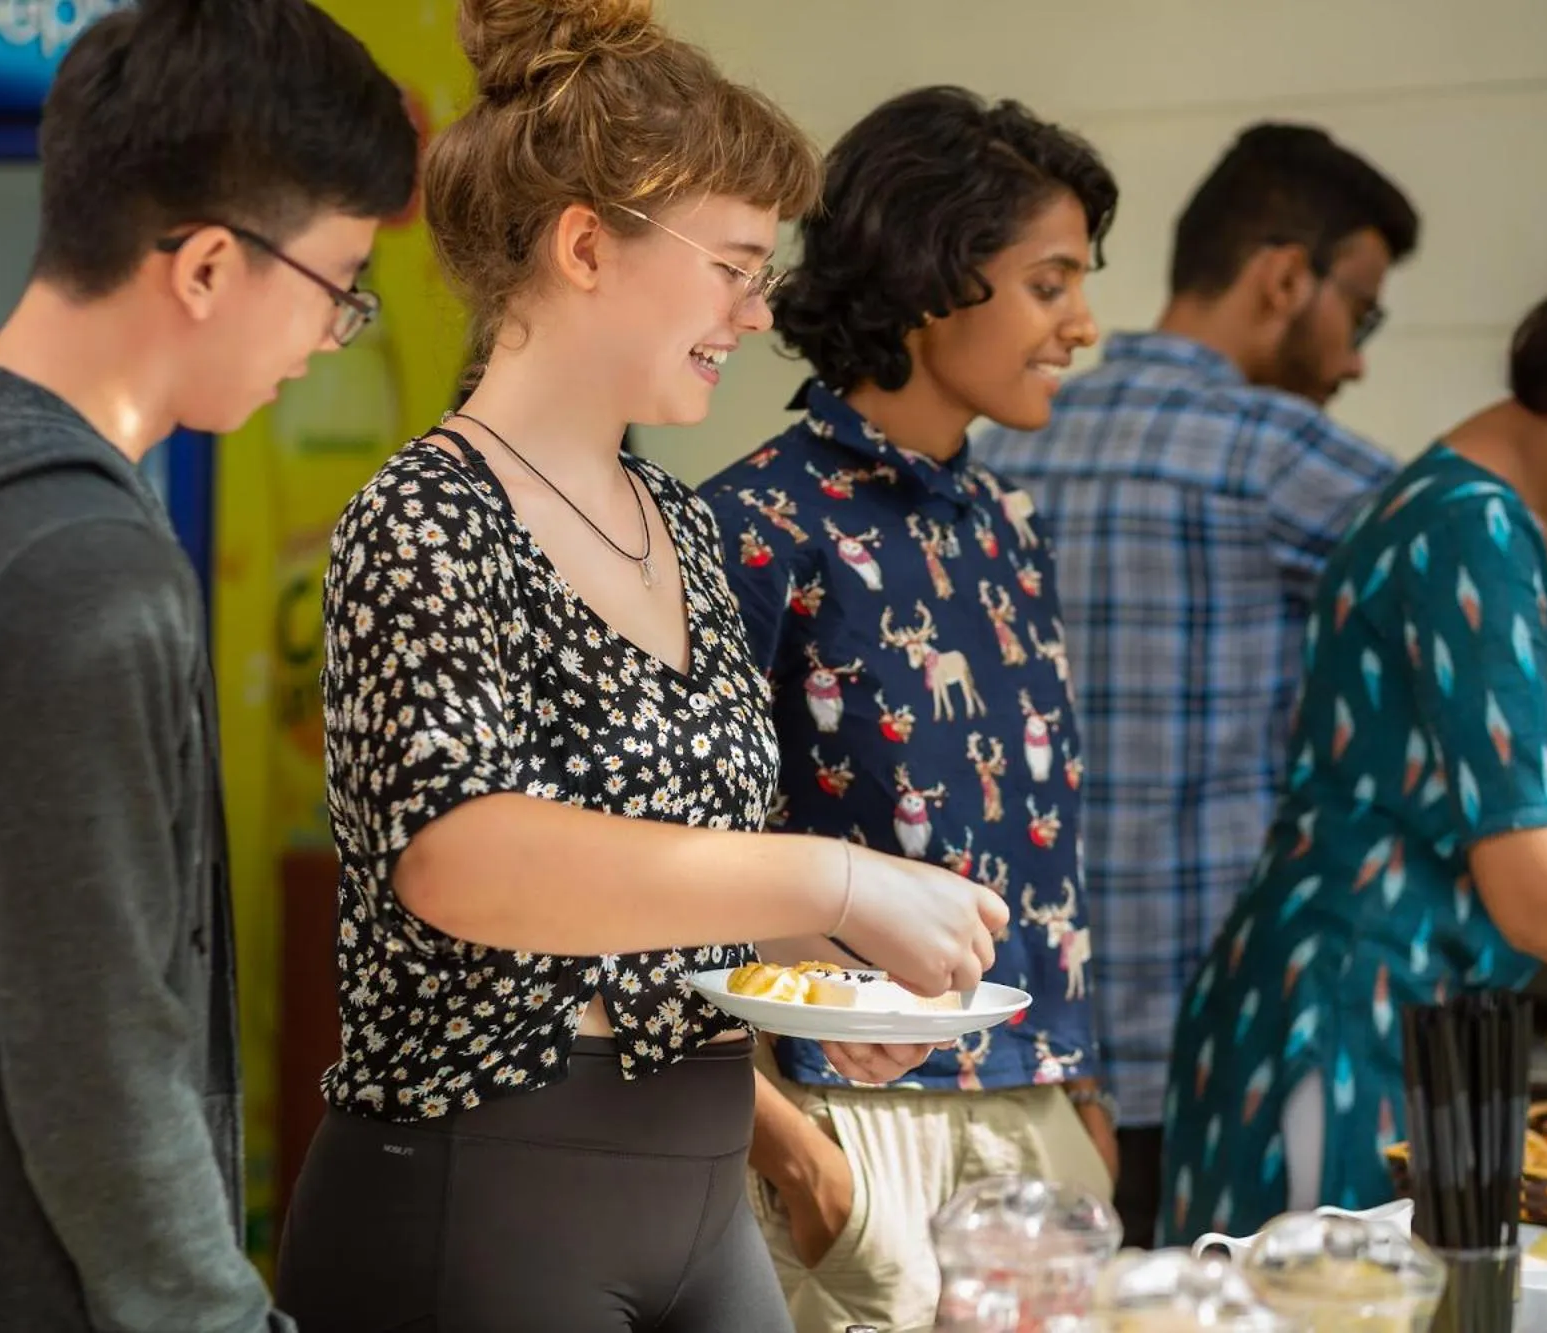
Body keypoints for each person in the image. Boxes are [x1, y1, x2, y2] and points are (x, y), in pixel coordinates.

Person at [271, 5, 1008, 1331]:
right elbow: (464, 860)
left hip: (700, 1189)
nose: (758, 306)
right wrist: (831, 876)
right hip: (480, 1189)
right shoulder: (425, 514)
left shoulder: (677, 519)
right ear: (587, 244)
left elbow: (675, 871)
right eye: (732, 262)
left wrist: (844, 958)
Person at [0, 1, 418, 1329]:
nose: (328, 340)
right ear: (208, 266)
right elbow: (104, 1066)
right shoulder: (78, 568)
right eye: (335, 291)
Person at [1158, 215, 1547, 1243]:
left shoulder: (1527, 520)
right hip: (1344, 1030)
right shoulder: (1471, 527)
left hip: (1401, 1022)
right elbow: (1540, 895)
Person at [701, 86, 1120, 1333]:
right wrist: (797, 1155)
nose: (1080, 325)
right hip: (846, 1124)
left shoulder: (1011, 527)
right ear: (934, 275)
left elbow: (1039, 837)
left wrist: (1075, 1085)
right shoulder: (751, 526)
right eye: (1050, 283)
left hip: (1034, 1115)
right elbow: (683, 873)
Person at [977, 122, 1419, 1246]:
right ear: (1283, 276)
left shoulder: (1008, 441)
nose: (1356, 356)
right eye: (1357, 312)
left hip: (1029, 1038)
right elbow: (1474, 563)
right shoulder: (1273, 453)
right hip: (1220, 1044)